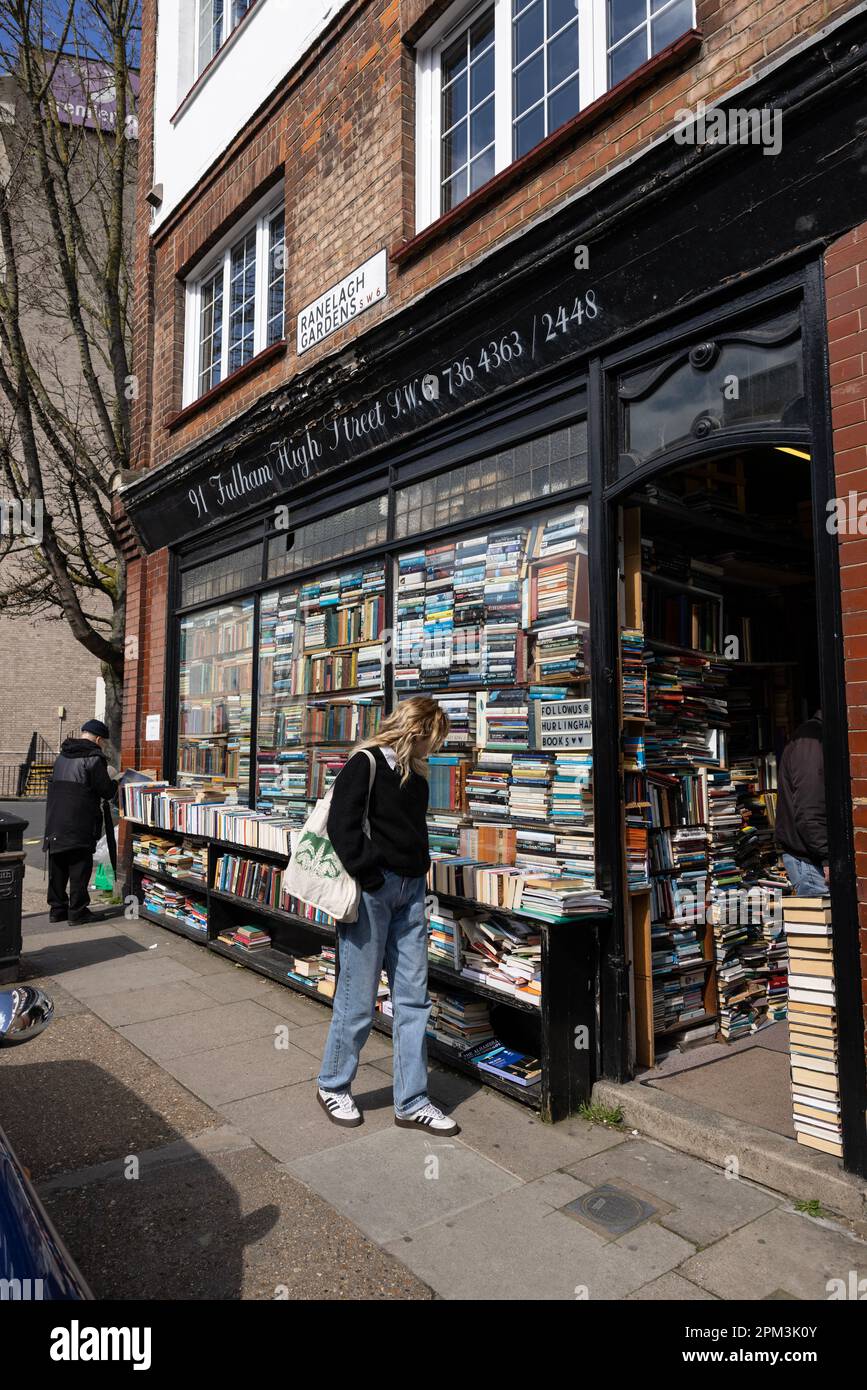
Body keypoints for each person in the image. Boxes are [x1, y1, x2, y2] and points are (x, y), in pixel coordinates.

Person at [317, 695, 460, 1134]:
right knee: (357, 996)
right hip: (374, 893)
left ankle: (412, 1100)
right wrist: (370, 876)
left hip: (411, 891)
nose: (433, 749)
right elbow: (342, 824)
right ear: (416, 731)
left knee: (414, 997)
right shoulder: (367, 761)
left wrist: (419, 871)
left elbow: (411, 830)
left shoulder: (415, 773)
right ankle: (333, 1085)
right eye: (431, 740)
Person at [43, 719, 118, 925]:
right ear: (99, 739)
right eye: (102, 743)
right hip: (80, 820)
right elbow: (106, 790)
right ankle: (78, 911)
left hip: (56, 818)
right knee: (79, 866)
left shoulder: (62, 756)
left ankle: (57, 909)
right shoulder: (93, 758)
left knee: (58, 864)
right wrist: (114, 779)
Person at [775, 708, 829, 897]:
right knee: (823, 925)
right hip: (812, 864)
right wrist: (827, 857)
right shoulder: (811, 740)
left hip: (814, 859)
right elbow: (809, 809)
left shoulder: (818, 737)